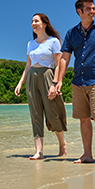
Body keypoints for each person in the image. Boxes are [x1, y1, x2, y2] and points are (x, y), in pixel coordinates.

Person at [54, 0, 95, 163]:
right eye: (89, 9)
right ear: (79, 11)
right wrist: (59, 80)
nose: (93, 11)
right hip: (78, 82)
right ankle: (87, 154)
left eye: (93, 8)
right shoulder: (71, 33)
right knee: (84, 119)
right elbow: (64, 58)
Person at [15, 13, 68, 160]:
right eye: (32, 21)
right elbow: (27, 66)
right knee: (35, 114)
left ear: (44, 24)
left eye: (36, 21)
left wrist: (54, 84)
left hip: (48, 76)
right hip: (32, 77)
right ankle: (39, 151)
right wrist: (20, 83)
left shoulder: (54, 42)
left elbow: (58, 65)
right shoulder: (30, 44)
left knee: (52, 113)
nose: (33, 23)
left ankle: (62, 143)